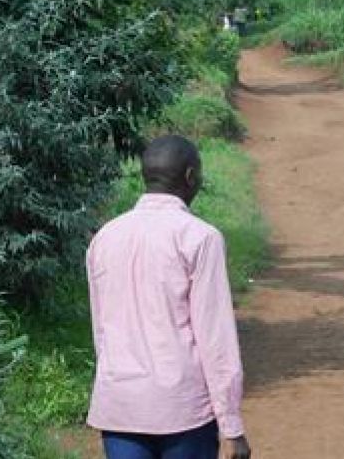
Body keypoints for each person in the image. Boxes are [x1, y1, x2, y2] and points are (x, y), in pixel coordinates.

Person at [85, 135, 251, 459]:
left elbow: (101, 330)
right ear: (190, 176)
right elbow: (215, 338)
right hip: (183, 410)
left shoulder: (105, 237)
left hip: (120, 404)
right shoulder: (200, 238)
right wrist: (232, 427)